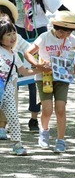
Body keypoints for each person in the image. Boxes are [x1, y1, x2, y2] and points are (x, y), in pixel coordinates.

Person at [1, 0, 70, 133]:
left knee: (38, 76)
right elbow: (3, 11)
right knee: (12, 75)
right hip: (15, 34)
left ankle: (34, 117)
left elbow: (59, 7)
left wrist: (73, 25)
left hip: (39, 33)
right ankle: (7, 120)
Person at [24, 11, 75, 153]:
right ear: (56, 27)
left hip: (62, 77)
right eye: (62, 32)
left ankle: (61, 140)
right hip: (44, 78)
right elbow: (28, 53)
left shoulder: (71, 39)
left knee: (60, 109)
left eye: (68, 33)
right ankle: (44, 132)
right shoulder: (44, 37)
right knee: (47, 109)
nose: (65, 36)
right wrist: (38, 65)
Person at [0, 16, 41, 155]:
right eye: (8, 34)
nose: (12, 37)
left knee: (13, 118)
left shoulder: (14, 54)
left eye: (13, 33)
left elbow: (24, 71)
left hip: (8, 91)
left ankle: (18, 145)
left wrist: (41, 69)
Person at [0, 0, 32, 140]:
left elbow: (29, 50)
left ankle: (5, 130)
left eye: (4, 15)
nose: (2, 18)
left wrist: (40, 66)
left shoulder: (16, 38)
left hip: (11, 82)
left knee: (12, 110)